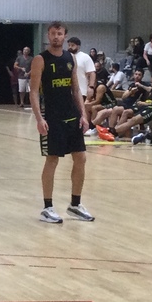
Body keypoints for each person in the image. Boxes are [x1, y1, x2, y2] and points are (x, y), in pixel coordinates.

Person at [30, 21, 92, 224]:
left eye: (60, 33)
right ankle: (47, 207)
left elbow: (76, 89)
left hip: (72, 115)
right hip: (52, 116)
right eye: (53, 33)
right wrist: (39, 119)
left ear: (65, 36)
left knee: (81, 158)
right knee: (52, 159)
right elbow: (33, 92)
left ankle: (75, 204)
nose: (56, 36)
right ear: (48, 35)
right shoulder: (40, 59)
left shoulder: (70, 58)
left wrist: (83, 115)